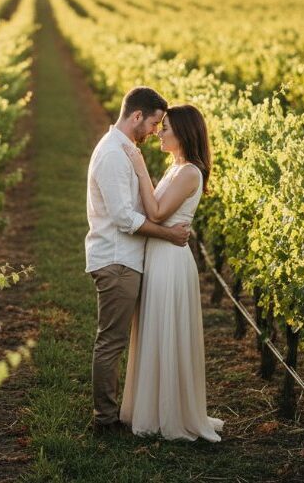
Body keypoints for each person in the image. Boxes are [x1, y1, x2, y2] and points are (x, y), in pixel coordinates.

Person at [85, 86, 191, 435]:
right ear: (136, 117)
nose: (156, 131)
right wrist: (169, 235)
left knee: (118, 339)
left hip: (126, 259)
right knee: (111, 341)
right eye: (154, 123)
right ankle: (104, 420)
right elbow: (123, 218)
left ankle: (124, 411)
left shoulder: (124, 150)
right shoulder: (115, 155)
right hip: (117, 261)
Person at [118, 103, 224, 442]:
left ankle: (171, 415)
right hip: (160, 256)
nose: (159, 132)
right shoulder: (176, 167)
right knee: (155, 329)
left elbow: (158, 212)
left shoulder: (190, 172)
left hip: (171, 262)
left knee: (166, 330)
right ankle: (153, 408)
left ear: (183, 133)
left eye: (166, 128)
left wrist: (138, 167)